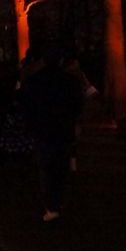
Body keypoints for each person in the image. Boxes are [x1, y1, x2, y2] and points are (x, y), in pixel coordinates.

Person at [22, 46, 84, 222]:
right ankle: (58, 200)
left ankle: (50, 205)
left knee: (45, 168)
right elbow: (78, 105)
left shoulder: (34, 80)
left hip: (42, 129)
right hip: (63, 129)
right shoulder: (70, 81)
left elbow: (27, 107)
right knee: (60, 167)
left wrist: (30, 127)